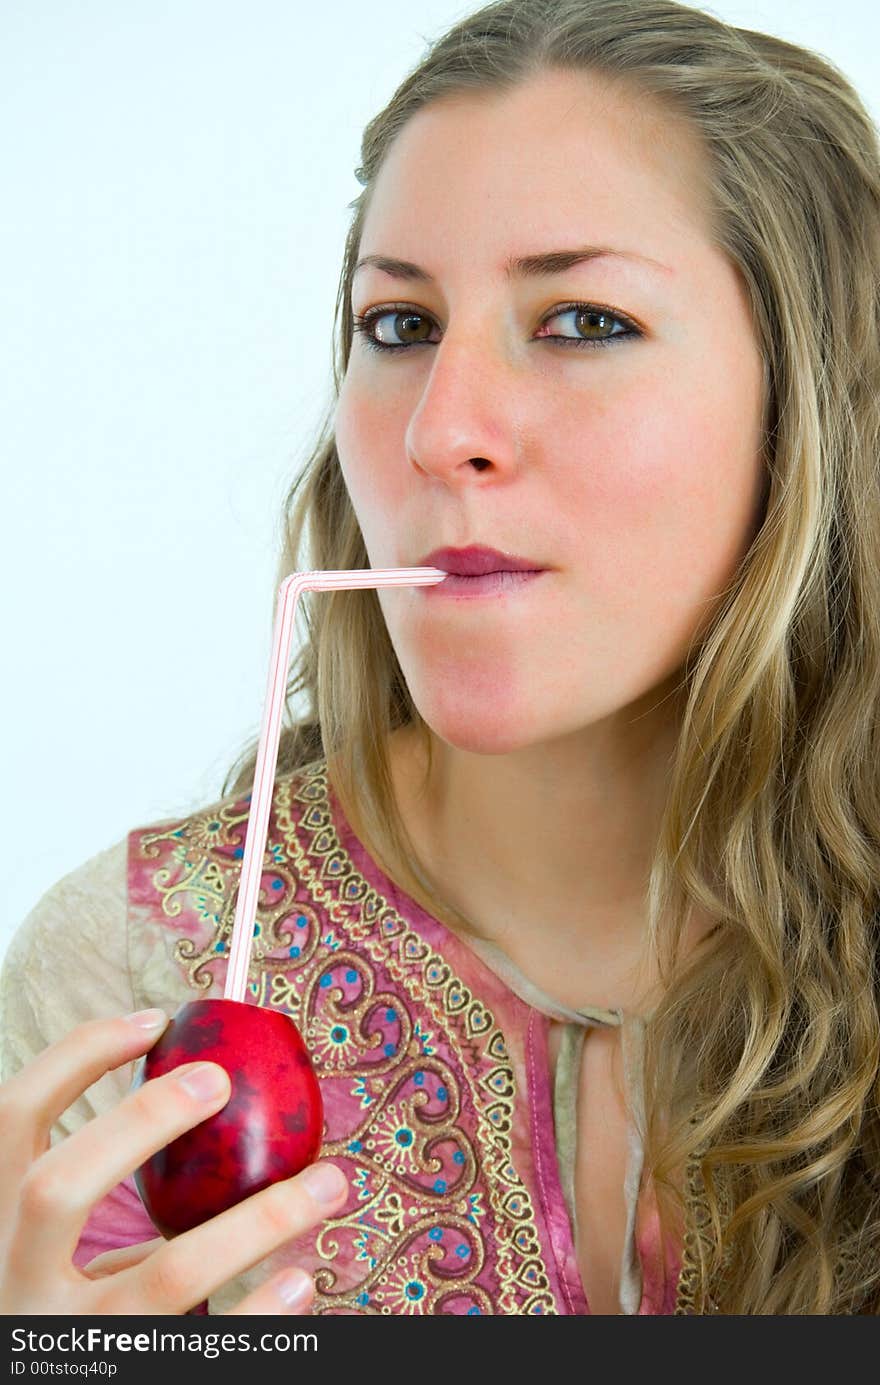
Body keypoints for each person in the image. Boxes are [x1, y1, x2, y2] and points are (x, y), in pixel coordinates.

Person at [2, 0, 879, 1316]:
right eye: (400, 328)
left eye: (584, 321)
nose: (436, 431)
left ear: (810, 400)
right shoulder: (128, 979)